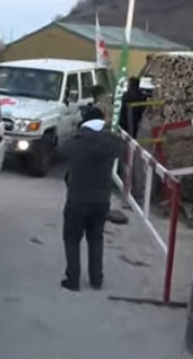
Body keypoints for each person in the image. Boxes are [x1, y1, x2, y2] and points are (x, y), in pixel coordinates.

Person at [62, 107, 122, 292]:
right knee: (96, 238)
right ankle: (97, 279)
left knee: (72, 239)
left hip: (78, 198)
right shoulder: (113, 141)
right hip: (102, 199)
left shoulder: (76, 141)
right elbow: (122, 149)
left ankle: (73, 280)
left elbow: (64, 153)